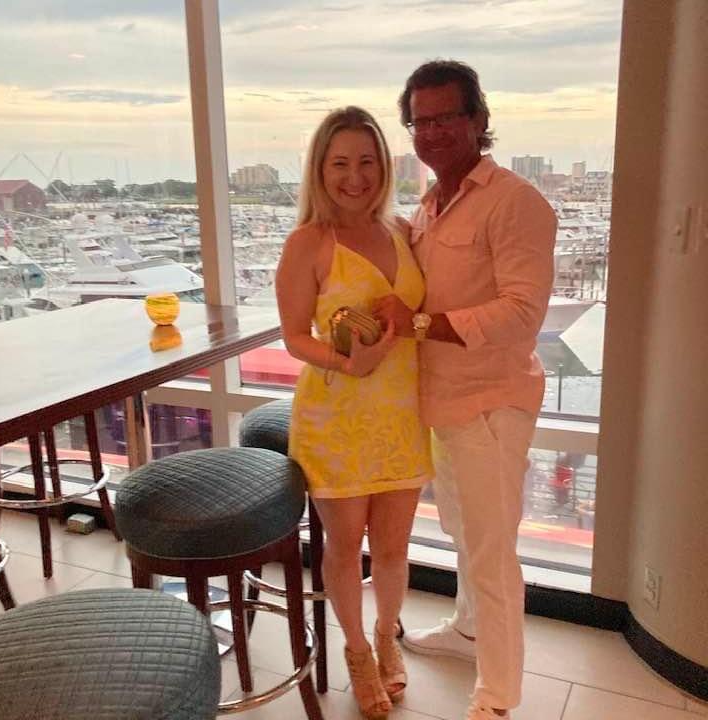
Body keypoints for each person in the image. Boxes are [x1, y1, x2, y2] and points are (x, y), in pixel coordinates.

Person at [374, 60, 557, 720]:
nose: (432, 132)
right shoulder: (429, 206)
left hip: (490, 404)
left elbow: (522, 313)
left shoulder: (515, 202)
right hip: (440, 403)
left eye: (446, 117)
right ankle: (469, 631)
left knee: (491, 552)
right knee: (461, 530)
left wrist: (420, 324)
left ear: (479, 119)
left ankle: (497, 697)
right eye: (420, 121)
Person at [275, 106, 433, 720]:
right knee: (345, 546)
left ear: (384, 167)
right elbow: (294, 336)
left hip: (401, 416)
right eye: (340, 163)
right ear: (320, 170)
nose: (355, 176)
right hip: (336, 419)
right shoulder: (308, 242)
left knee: (393, 547)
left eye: (367, 161)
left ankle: (387, 636)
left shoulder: (402, 231)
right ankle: (356, 651)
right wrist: (347, 363)